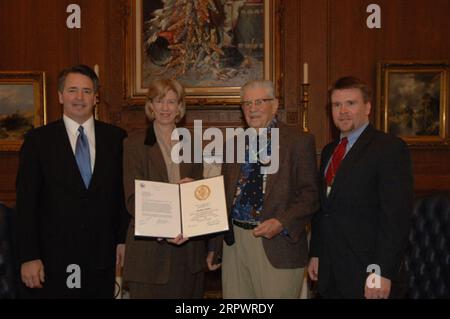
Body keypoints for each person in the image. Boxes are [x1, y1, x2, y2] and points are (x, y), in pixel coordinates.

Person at [15, 64, 129, 298]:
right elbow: (26, 204)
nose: (79, 97)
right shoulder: (38, 141)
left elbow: (121, 195)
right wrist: (28, 256)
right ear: (60, 95)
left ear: (96, 98)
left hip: (101, 260)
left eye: (87, 91)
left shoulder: (116, 139)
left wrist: (122, 240)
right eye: (72, 90)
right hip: (52, 262)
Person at [308, 76, 414, 299]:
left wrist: (381, 272)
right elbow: (324, 210)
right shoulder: (329, 151)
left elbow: (395, 219)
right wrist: (317, 253)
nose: (343, 111)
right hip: (331, 272)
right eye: (337, 105)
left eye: (351, 103)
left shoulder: (389, 148)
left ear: (367, 107)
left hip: (368, 273)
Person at [214, 79, 319, 298]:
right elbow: (222, 196)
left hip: (277, 243)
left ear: (275, 104)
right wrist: (214, 247)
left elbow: (310, 195)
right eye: (247, 103)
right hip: (235, 245)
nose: (252, 109)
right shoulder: (233, 144)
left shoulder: (298, 141)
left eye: (259, 102)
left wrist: (282, 223)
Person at [122, 78, 219, 299]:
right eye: (159, 101)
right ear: (151, 106)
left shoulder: (193, 144)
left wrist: (194, 191)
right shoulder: (134, 144)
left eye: (171, 101)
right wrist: (165, 225)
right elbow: (132, 199)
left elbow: (201, 197)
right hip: (149, 255)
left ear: (179, 107)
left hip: (188, 253)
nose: (165, 108)